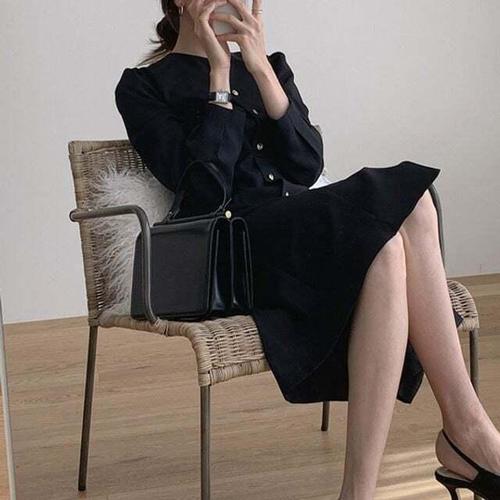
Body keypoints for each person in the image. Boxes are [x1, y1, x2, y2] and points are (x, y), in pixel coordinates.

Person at [114, 1, 500, 498]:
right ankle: (468, 435)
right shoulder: (143, 86)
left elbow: (307, 165)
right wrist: (219, 77)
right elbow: (203, 191)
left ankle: (362, 489)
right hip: (237, 249)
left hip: (301, 232)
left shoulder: (270, 67)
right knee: (411, 202)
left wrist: (258, 67)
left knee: (391, 242)